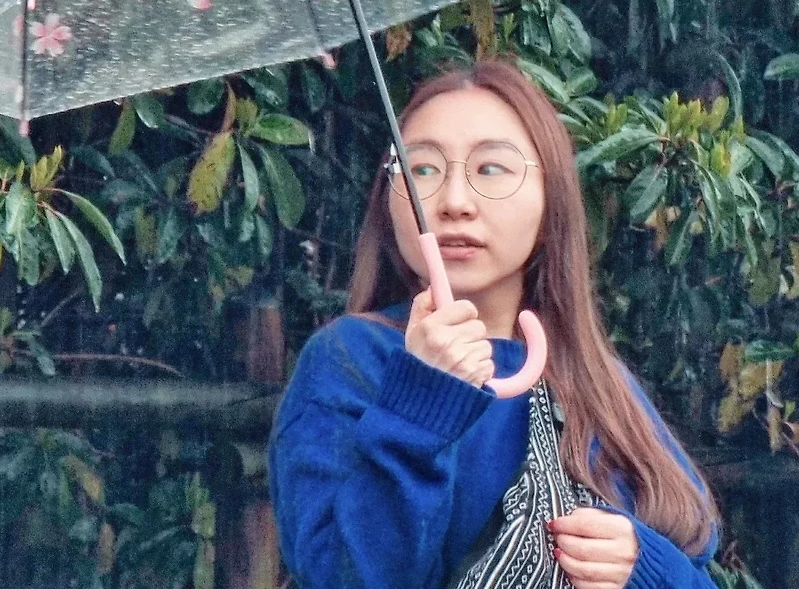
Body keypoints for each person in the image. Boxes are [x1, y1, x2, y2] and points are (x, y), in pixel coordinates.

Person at [268, 59, 723, 589]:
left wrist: (645, 568)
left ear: (551, 199)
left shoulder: (600, 383)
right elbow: (345, 577)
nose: (454, 203)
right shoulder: (351, 360)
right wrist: (422, 402)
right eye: (422, 169)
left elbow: (694, 560)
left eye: (490, 169)